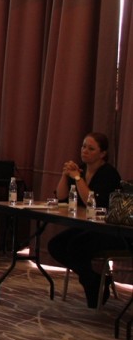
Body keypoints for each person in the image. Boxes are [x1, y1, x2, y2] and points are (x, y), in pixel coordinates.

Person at [47, 132, 123, 308]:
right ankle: (92, 279)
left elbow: (92, 203)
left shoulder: (108, 174)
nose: (85, 151)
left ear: (102, 153)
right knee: (55, 245)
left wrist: (77, 178)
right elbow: (61, 197)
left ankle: (91, 282)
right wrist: (65, 174)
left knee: (76, 246)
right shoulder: (80, 169)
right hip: (86, 226)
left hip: (108, 231)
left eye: (91, 148)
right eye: (83, 146)